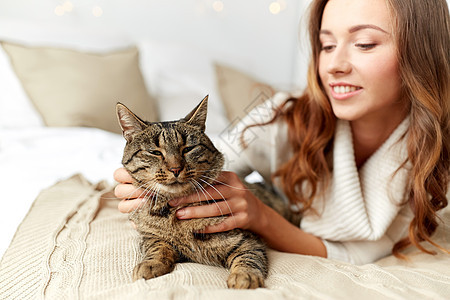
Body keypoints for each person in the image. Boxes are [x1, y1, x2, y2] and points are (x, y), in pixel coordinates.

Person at [114, 0, 449, 264]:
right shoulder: (282, 115)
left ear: (421, 53)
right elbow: (214, 158)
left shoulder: (430, 154)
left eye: (363, 43)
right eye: (326, 46)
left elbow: (354, 255)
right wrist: (135, 184)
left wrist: (261, 217)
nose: (334, 65)